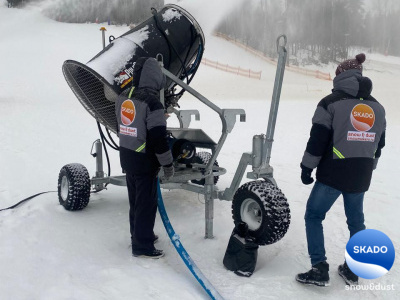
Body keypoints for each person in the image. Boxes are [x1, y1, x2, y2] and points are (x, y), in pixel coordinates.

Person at [295, 53, 386, 286]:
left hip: (333, 174)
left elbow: (318, 140)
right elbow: (378, 144)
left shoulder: (329, 103)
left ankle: (319, 268)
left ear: (340, 75)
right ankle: (352, 270)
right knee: (356, 222)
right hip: (361, 175)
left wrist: (307, 168)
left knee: (314, 216)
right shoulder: (378, 108)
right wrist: (368, 168)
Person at [115, 57, 174, 259]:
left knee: (136, 201)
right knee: (147, 205)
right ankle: (142, 246)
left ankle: (139, 234)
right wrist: (167, 165)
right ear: (157, 78)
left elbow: (124, 126)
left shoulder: (124, 97)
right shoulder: (153, 103)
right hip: (145, 162)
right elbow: (158, 139)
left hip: (127, 156)